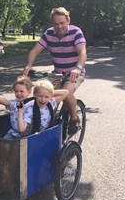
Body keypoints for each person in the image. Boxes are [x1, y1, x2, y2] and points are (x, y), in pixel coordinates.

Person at [23, 7, 87, 135]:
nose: (59, 26)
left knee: (67, 92)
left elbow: (82, 52)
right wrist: (28, 65)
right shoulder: (49, 33)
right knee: (45, 97)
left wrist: (78, 68)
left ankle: (74, 118)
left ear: (68, 21)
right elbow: (35, 50)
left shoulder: (76, 32)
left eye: (62, 23)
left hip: (74, 73)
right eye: (56, 24)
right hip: (57, 73)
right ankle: (49, 125)